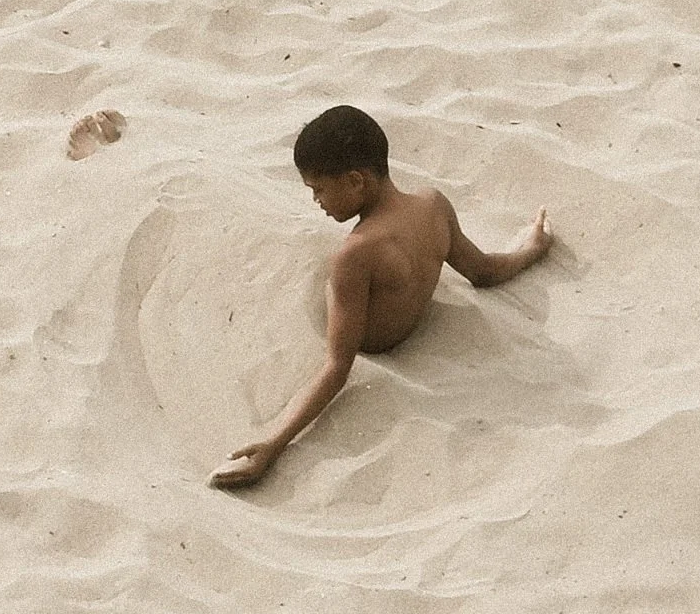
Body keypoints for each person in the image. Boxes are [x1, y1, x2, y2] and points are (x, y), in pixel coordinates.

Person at [210, 106, 551, 491]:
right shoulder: (434, 205)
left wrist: (273, 445)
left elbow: (338, 367)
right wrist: (531, 249)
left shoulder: (357, 254)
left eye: (318, 189)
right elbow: (483, 272)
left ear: (355, 181)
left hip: (372, 345)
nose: (317, 202)